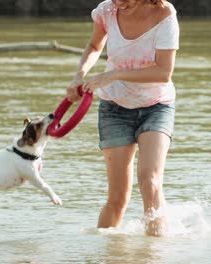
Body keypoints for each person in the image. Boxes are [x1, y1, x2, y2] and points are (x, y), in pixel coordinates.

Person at [65, 0, 179, 236]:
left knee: (149, 181)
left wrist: (115, 74)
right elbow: (95, 45)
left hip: (156, 106)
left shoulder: (165, 15)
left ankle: (154, 253)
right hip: (114, 109)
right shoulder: (107, 10)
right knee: (117, 196)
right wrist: (79, 75)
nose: (118, 2)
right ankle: (109, 254)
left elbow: (163, 72)